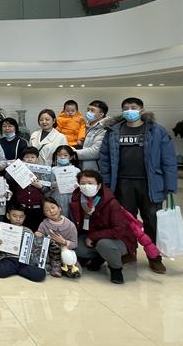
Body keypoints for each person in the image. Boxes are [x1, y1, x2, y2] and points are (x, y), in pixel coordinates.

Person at [99, 97, 176, 274]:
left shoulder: (156, 131)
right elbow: (105, 159)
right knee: (126, 221)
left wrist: (170, 185)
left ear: (141, 110)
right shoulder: (113, 131)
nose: (129, 111)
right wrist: (107, 183)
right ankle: (129, 252)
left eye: (133, 107)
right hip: (123, 183)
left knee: (152, 220)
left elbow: (168, 159)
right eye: (126, 108)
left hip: (150, 184)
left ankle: (154, 257)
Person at [69, 170, 136, 284]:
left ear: (99, 185)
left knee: (104, 244)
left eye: (90, 183)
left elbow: (118, 230)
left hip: (118, 240)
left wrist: (93, 237)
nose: (86, 186)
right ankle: (99, 257)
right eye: (83, 183)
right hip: (92, 236)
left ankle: (116, 269)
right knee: (76, 246)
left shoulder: (111, 203)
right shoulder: (78, 200)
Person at [0, 205, 46, 282]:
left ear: (24, 217)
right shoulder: (4, 230)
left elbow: (35, 249)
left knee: (40, 274)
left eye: (21, 217)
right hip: (9, 259)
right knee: (0, 271)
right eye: (14, 216)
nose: (18, 219)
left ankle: (17, 270)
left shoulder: (28, 231)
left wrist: (38, 238)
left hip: (25, 261)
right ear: (8, 216)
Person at [35, 197, 80, 278]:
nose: (51, 211)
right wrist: (38, 235)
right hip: (49, 255)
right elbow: (39, 242)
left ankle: (63, 267)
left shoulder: (70, 225)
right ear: (44, 213)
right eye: (47, 210)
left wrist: (64, 242)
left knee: (76, 273)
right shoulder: (43, 225)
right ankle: (54, 266)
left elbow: (75, 244)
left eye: (53, 207)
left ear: (59, 208)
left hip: (65, 254)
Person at [11, 147, 47, 232]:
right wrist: (15, 166)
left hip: (37, 208)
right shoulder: (18, 170)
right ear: (23, 158)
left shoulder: (43, 172)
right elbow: (8, 177)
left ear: (37, 159)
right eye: (27, 157)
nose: (30, 159)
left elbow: (47, 190)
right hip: (22, 208)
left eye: (32, 157)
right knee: (22, 230)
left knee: (36, 230)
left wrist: (41, 187)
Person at [76, 100, 110, 171]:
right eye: (88, 110)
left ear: (101, 114)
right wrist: (82, 144)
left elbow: (95, 152)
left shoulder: (104, 129)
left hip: (96, 169)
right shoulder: (88, 127)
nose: (88, 112)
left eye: (92, 110)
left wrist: (73, 153)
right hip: (85, 167)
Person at [49, 145, 80, 219]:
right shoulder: (53, 170)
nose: (62, 157)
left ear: (71, 157)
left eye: (65, 155)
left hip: (72, 198)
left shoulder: (76, 170)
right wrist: (52, 185)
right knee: (59, 217)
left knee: (73, 217)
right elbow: (49, 185)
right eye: (59, 155)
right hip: (57, 197)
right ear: (56, 156)